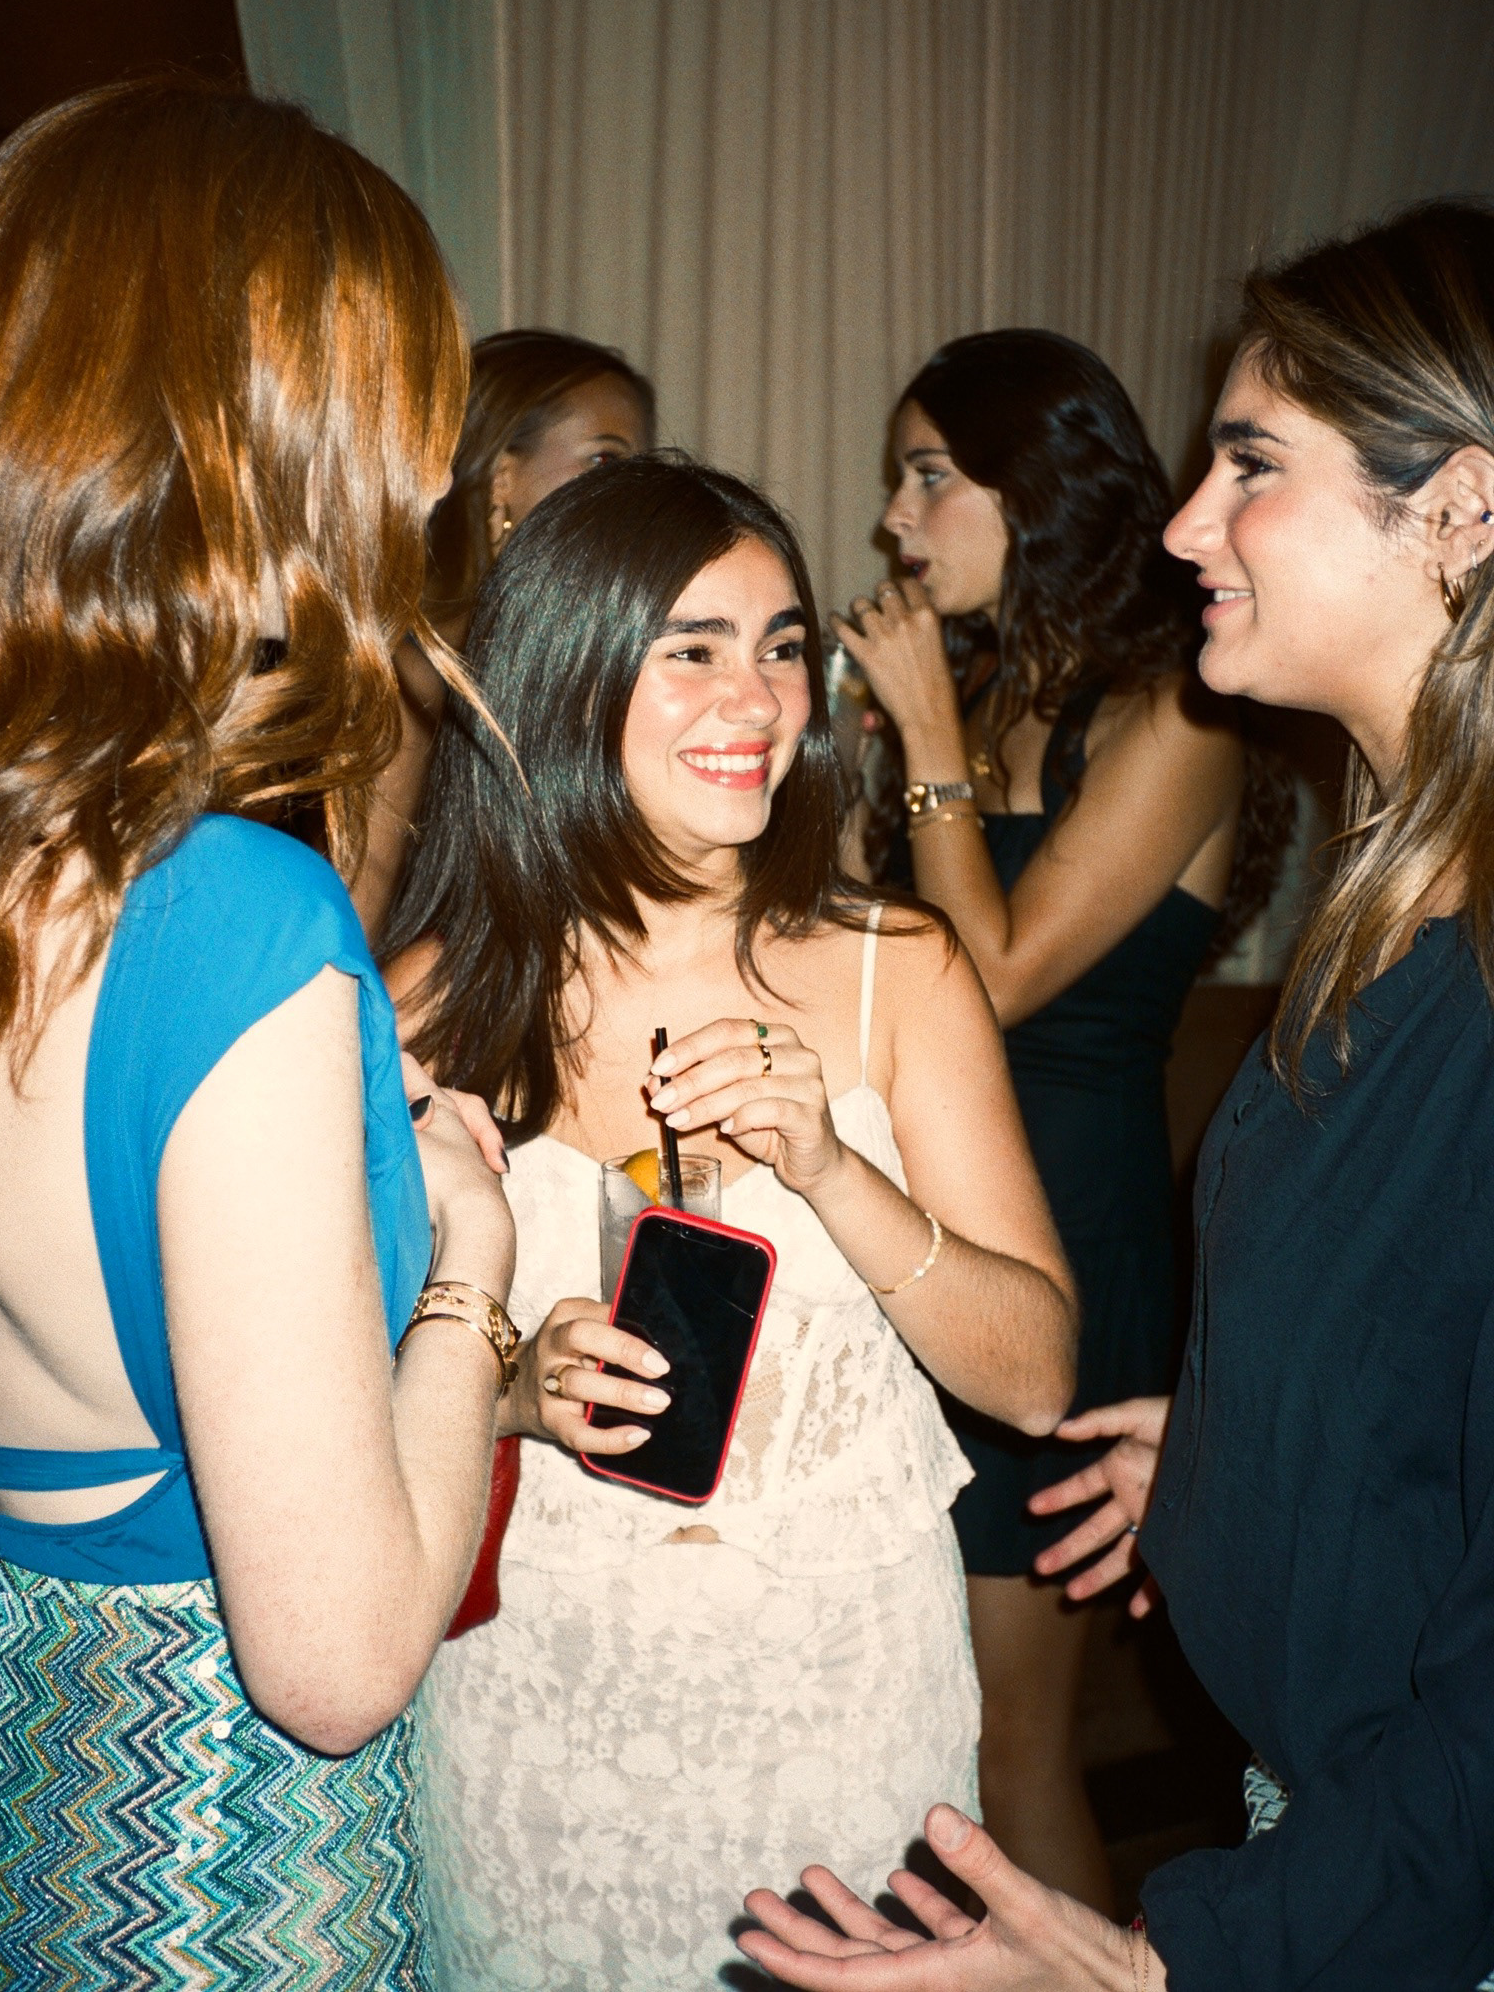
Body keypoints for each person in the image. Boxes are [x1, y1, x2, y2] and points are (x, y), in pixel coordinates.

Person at [736, 200, 1494, 1990]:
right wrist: (1245, 1471)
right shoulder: (1398, 901)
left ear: (1462, 508)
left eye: (1253, 465)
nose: (1184, 523)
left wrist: (1156, 1966)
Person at [380, 455, 1079, 1990]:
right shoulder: (426, 1002)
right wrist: (511, 1389)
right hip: (533, 1713)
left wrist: (831, 1167)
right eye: (691, 648)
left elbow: (1035, 1378)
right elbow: (321, 1407)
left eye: (780, 646)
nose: (756, 697)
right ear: (563, 674)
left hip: (842, 1711)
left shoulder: (895, 966)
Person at [0, 80, 517, 1989]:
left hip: (9, 1786)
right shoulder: (227, 917)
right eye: (401, 418)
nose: (422, 488)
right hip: (219, 1877)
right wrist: (469, 1273)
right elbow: (336, 1661)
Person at [831, 330, 1288, 1908]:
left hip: (1071, 1246)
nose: (894, 518)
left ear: (1037, 491)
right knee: (912, 1727)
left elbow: (1001, 974)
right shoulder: (979, 698)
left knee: (1011, 1750)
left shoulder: (1179, 713)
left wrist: (930, 754)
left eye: (929, 476)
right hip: (929, 1227)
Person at [352, 328, 655, 937]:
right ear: (501, 479)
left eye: (644, 471)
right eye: (605, 462)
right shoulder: (415, 675)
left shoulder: (616, 659)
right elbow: (356, 913)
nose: (639, 498)